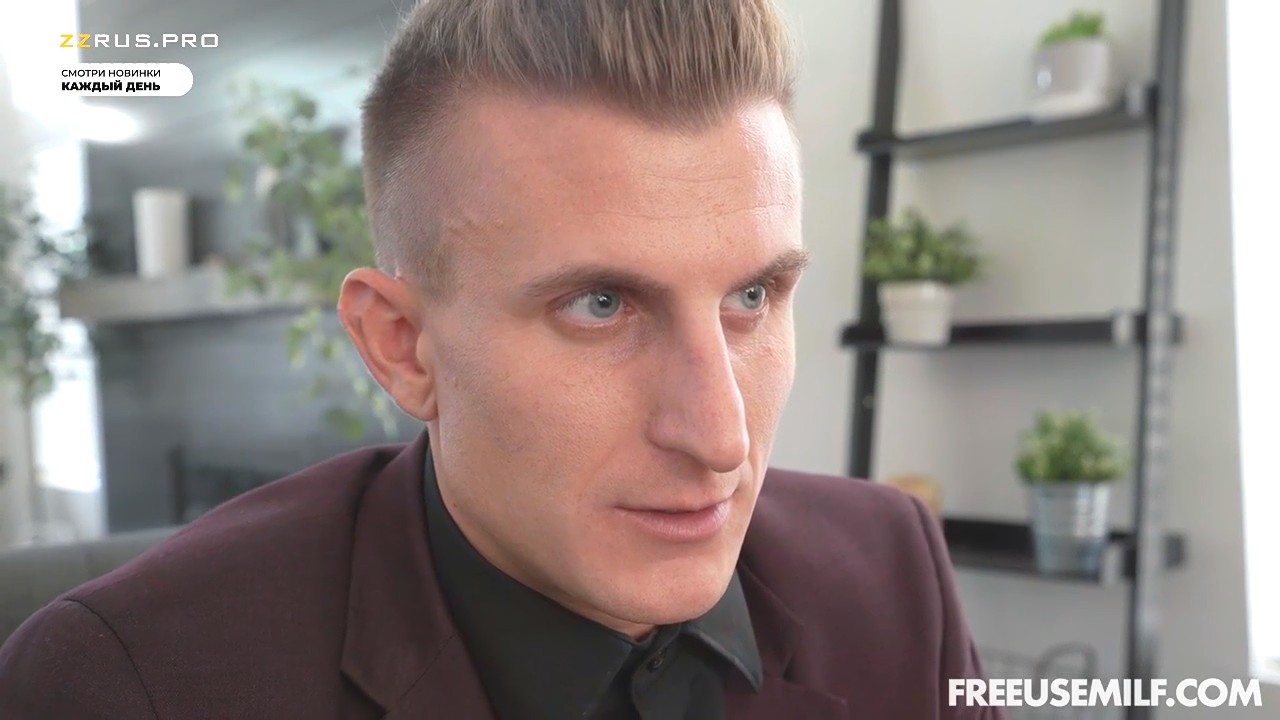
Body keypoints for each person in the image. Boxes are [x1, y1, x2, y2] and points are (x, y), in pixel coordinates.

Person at [0, 1, 1000, 718]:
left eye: (752, 297)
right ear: (402, 346)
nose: (720, 437)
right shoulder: (132, 684)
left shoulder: (892, 572)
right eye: (600, 306)